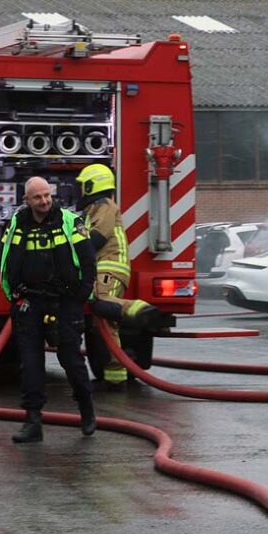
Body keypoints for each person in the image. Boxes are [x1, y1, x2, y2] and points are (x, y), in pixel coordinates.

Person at [0, 176, 97, 444]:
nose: (44, 201)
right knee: (30, 364)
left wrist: (80, 296)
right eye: (37, 197)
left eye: (47, 196)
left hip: (65, 301)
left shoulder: (69, 221)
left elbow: (88, 260)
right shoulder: (17, 224)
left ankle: (87, 410)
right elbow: (3, 258)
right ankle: (32, 422)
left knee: (71, 360)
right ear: (26, 200)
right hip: (30, 302)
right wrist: (14, 296)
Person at [75, 163, 164, 389]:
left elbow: (97, 238)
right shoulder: (91, 211)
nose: (79, 191)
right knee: (104, 322)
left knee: (101, 302)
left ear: (91, 185)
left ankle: (141, 311)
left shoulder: (103, 205)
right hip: (103, 267)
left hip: (110, 266)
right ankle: (114, 378)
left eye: (82, 186)